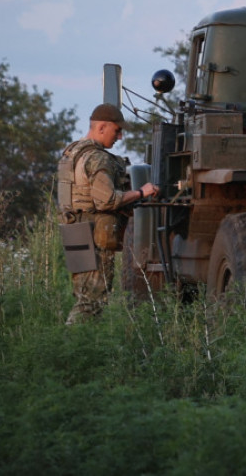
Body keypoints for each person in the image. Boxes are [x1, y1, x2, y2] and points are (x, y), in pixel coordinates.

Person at [57, 103, 158, 325]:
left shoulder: (71, 153)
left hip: (75, 231)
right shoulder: (98, 158)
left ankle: (76, 348)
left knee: (83, 296)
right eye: (117, 130)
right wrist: (142, 191)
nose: (120, 137)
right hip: (95, 236)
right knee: (92, 303)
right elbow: (107, 200)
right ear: (102, 127)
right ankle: (71, 346)